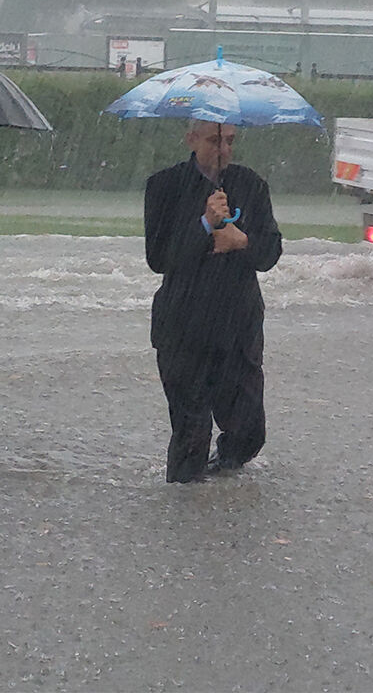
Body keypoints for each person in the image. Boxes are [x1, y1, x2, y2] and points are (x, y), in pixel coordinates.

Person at [143, 120, 283, 482]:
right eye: (214, 141)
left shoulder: (251, 186)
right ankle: (185, 518)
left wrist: (242, 242)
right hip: (183, 328)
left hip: (237, 329)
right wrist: (204, 225)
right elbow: (159, 258)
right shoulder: (164, 187)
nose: (223, 150)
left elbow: (270, 253)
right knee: (191, 435)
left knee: (249, 431)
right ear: (190, 139)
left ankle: (223, 498)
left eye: (230, 142)